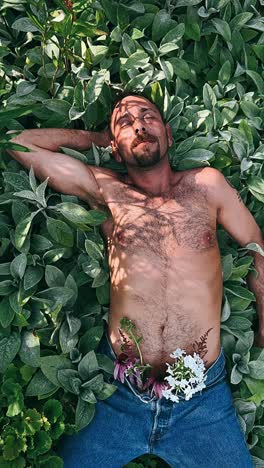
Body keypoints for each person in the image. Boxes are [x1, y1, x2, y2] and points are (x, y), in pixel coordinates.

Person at [6, 93, 263, 468]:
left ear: (169, 134)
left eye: (148, 117)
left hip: (202, 400)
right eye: (125, 122)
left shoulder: (207, 185)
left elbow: (259, 249)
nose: (139, 124)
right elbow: (18, 142)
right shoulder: (106, 190)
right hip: (119, 394)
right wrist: (100, 141)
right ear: (113, 144)